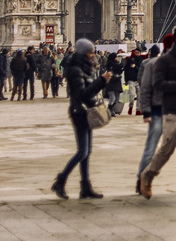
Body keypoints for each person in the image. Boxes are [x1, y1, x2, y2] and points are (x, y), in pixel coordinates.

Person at [140, 26, 176, 201]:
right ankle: (147, 175)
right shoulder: (164, 61)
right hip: (172, 111)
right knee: (167, 148)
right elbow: (158, 85)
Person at [51, 38, 112, 200]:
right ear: (84, 53)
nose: (93, 55)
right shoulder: (75, 70)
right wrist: (102, 81)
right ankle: (61, 180)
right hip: (80, 112)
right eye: (91, 52)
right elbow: (83, 94)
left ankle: (85, 187)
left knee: (86, 151)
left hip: (86, 112)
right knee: (82, 151)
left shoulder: (83, 67)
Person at [135, 38, 172, 193]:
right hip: (157, 111)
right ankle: (142, 179)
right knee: (151, 149)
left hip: (175, 112)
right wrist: (146, 111)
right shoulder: (153, 64)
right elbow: (145, 87)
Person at [124, 50, 142, 115]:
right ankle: (131, 106)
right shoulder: (129, 60)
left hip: (138, 80)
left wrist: (135, 67)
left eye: (138, 52)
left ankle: (138, 109)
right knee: (132, 95)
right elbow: (126, 70)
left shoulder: (141, 60)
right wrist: (126, 80)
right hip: (131, 80)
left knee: (139, 96)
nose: (137, 54)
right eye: (136, 52)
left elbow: (140, 70)